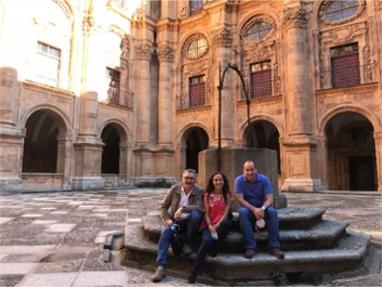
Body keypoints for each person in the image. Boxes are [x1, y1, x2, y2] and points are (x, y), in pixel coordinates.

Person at [151, 169, 204, 283]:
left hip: (190, 223)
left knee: (196, 215)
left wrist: (183, 208)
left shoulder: (200, 191)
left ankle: (187, 243)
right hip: (175, 223)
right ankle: (161, 267)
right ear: (182, 178)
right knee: (165, 232)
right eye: (186, 178)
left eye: (191, 178)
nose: (188, 180)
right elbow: (163, 207)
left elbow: (199, 207)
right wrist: (167, 219)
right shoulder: (174, 189)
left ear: (195, 180)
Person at [188, 172, 232, 284]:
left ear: (224, 181)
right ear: (212, 182)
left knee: (226, 224)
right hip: (208, 225)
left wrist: (216, 225)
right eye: (216, 180)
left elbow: (225, 215)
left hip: (220, 225)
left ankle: (214, 247)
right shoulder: (207, 195)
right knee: (207, 240)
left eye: (220, 180)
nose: (218, 182)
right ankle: (195, 271)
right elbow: (206, 213)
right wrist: (210, 225)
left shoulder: (227, 195)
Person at [235, 160, 284, 259]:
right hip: (248, 209)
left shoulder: (264, 179)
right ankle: (250, 247)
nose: (250, 172)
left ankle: (274, 246)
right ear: (243, 170)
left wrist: (262, 209)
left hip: (262, 208)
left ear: (256, 170)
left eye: (252, 170)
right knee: (242, 212)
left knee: (272, 212)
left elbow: (270, 198)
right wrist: (254, 210)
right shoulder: (239, 180)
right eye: (247, 170)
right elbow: (240, 199)